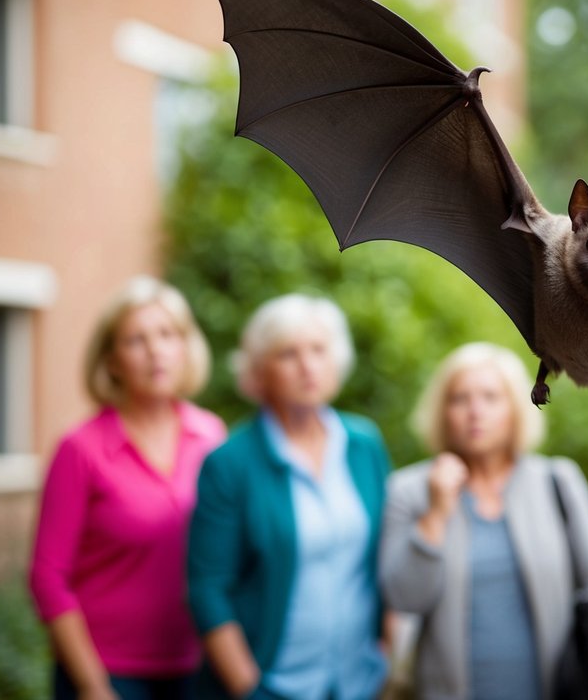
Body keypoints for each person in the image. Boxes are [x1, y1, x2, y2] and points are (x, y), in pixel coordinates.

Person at [379, 342, 588, 700]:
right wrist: (436, 513)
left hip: (556, 690)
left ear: (515, 409)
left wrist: (574, 653)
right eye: (460, 398)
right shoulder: (411, 490)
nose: (475, 412)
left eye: (491, 398)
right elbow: (403, 597)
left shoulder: (555, 481)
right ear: (442, 411)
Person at [29, 276, 227, 700]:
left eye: (167, 334)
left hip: (196, 666)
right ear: (112, 361)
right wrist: (91, 684)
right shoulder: (80, 448)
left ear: (185, 346)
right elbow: (47, 578)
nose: (156, 350)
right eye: (135, 340)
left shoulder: (211, 435)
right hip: (107, 673)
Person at [186, 294, 392, 700]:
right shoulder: (230, 464)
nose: (308, 366)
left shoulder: (364, 445)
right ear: (259, 372)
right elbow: (207, 590)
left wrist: (387, 653)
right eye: (288, 354)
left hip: (359, 682)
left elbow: (387, 557)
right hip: (272, 684)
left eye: (319, 350)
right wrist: (248, 688)